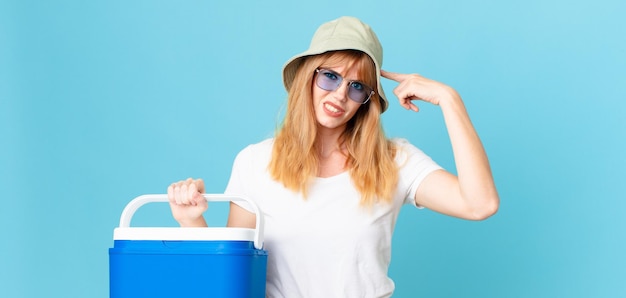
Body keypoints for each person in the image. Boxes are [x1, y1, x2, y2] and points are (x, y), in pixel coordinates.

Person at [167, 16, 499, 297]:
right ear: (307, 77)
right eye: (330, 76)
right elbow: (234, 275)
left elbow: (480, 204)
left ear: (367, 100)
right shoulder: (255, 162)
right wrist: (191, 221)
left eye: (357, 87)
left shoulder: (394, 160)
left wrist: (449, 99)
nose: (340, 94)